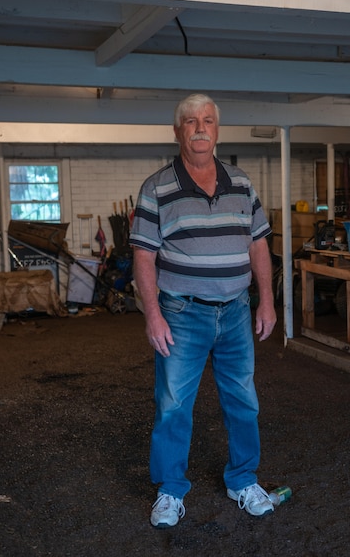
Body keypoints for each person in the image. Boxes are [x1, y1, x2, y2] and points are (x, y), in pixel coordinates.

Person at [129, 93, 278, 528]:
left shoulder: (242, 183)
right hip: (181, 314)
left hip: (234, 312)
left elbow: (258, 244)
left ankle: (243, 479)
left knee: (243, 400)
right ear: (177, 131)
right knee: (173, 404)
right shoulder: (156, 187)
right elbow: (142, 257)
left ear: (217, 130)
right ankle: (171, 491)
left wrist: (266, 299)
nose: (200, 128)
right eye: (191, 121)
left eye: (208, 120)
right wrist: (152, 314)